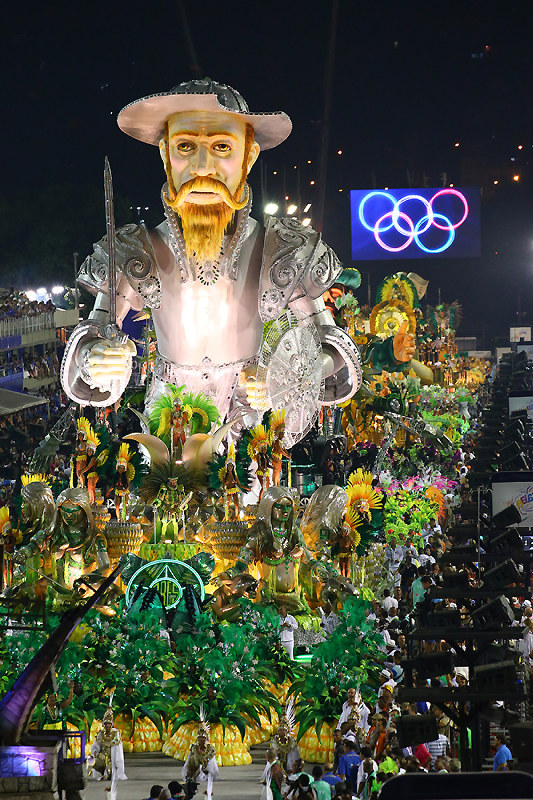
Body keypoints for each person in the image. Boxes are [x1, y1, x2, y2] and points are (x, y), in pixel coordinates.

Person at [61, 77, 366, 442]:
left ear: (248, 157)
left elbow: (331, 342)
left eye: (221, 146)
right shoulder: (130, 251)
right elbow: (93, 334)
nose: (203, 166)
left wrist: (284, 377)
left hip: (249, 427)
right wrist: (94, 358)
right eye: (186, 146)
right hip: (165, 426)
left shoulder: (285, 247)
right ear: (165, 155)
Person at [90, 709, 127, 800]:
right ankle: (103, 773)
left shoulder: (115, 733)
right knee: (96, 761)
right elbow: (96, 744)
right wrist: (95, 752)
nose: (107, 726)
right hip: (103, 754)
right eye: (106, 724)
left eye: (109, 724)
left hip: (113, 754)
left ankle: (111, 774)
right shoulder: (101, 733)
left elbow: (117, 745)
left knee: (111, 764)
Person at [182, 721, 219, 800]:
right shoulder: (194, 748)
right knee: (192, 760)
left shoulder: (210, 748)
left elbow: (211, 757)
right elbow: (191, 759)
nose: (201, 741)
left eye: (203, 739)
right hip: (196, 766)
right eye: (200, 738)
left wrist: (205, 762)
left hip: (206, 767)